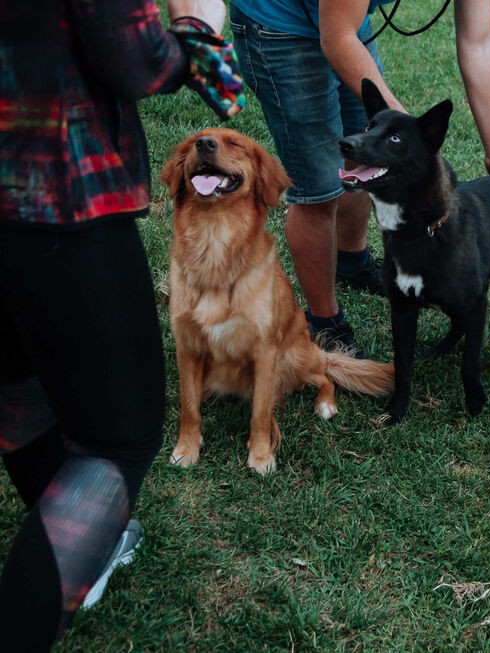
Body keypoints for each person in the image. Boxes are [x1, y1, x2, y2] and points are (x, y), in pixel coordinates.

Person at [0, 1, 239, 649]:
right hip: (52, 185)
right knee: (117, 443)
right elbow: (132, 58)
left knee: (16, 388)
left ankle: (89, 541)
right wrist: (196, 26)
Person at [229, 0, 490, 356]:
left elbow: (479, 42)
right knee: (319, 186)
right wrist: (407, 140)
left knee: (366, 156)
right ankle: (325, 323)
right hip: (281, 25)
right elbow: (336, 37)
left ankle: (351, 261)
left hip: (347, 22)